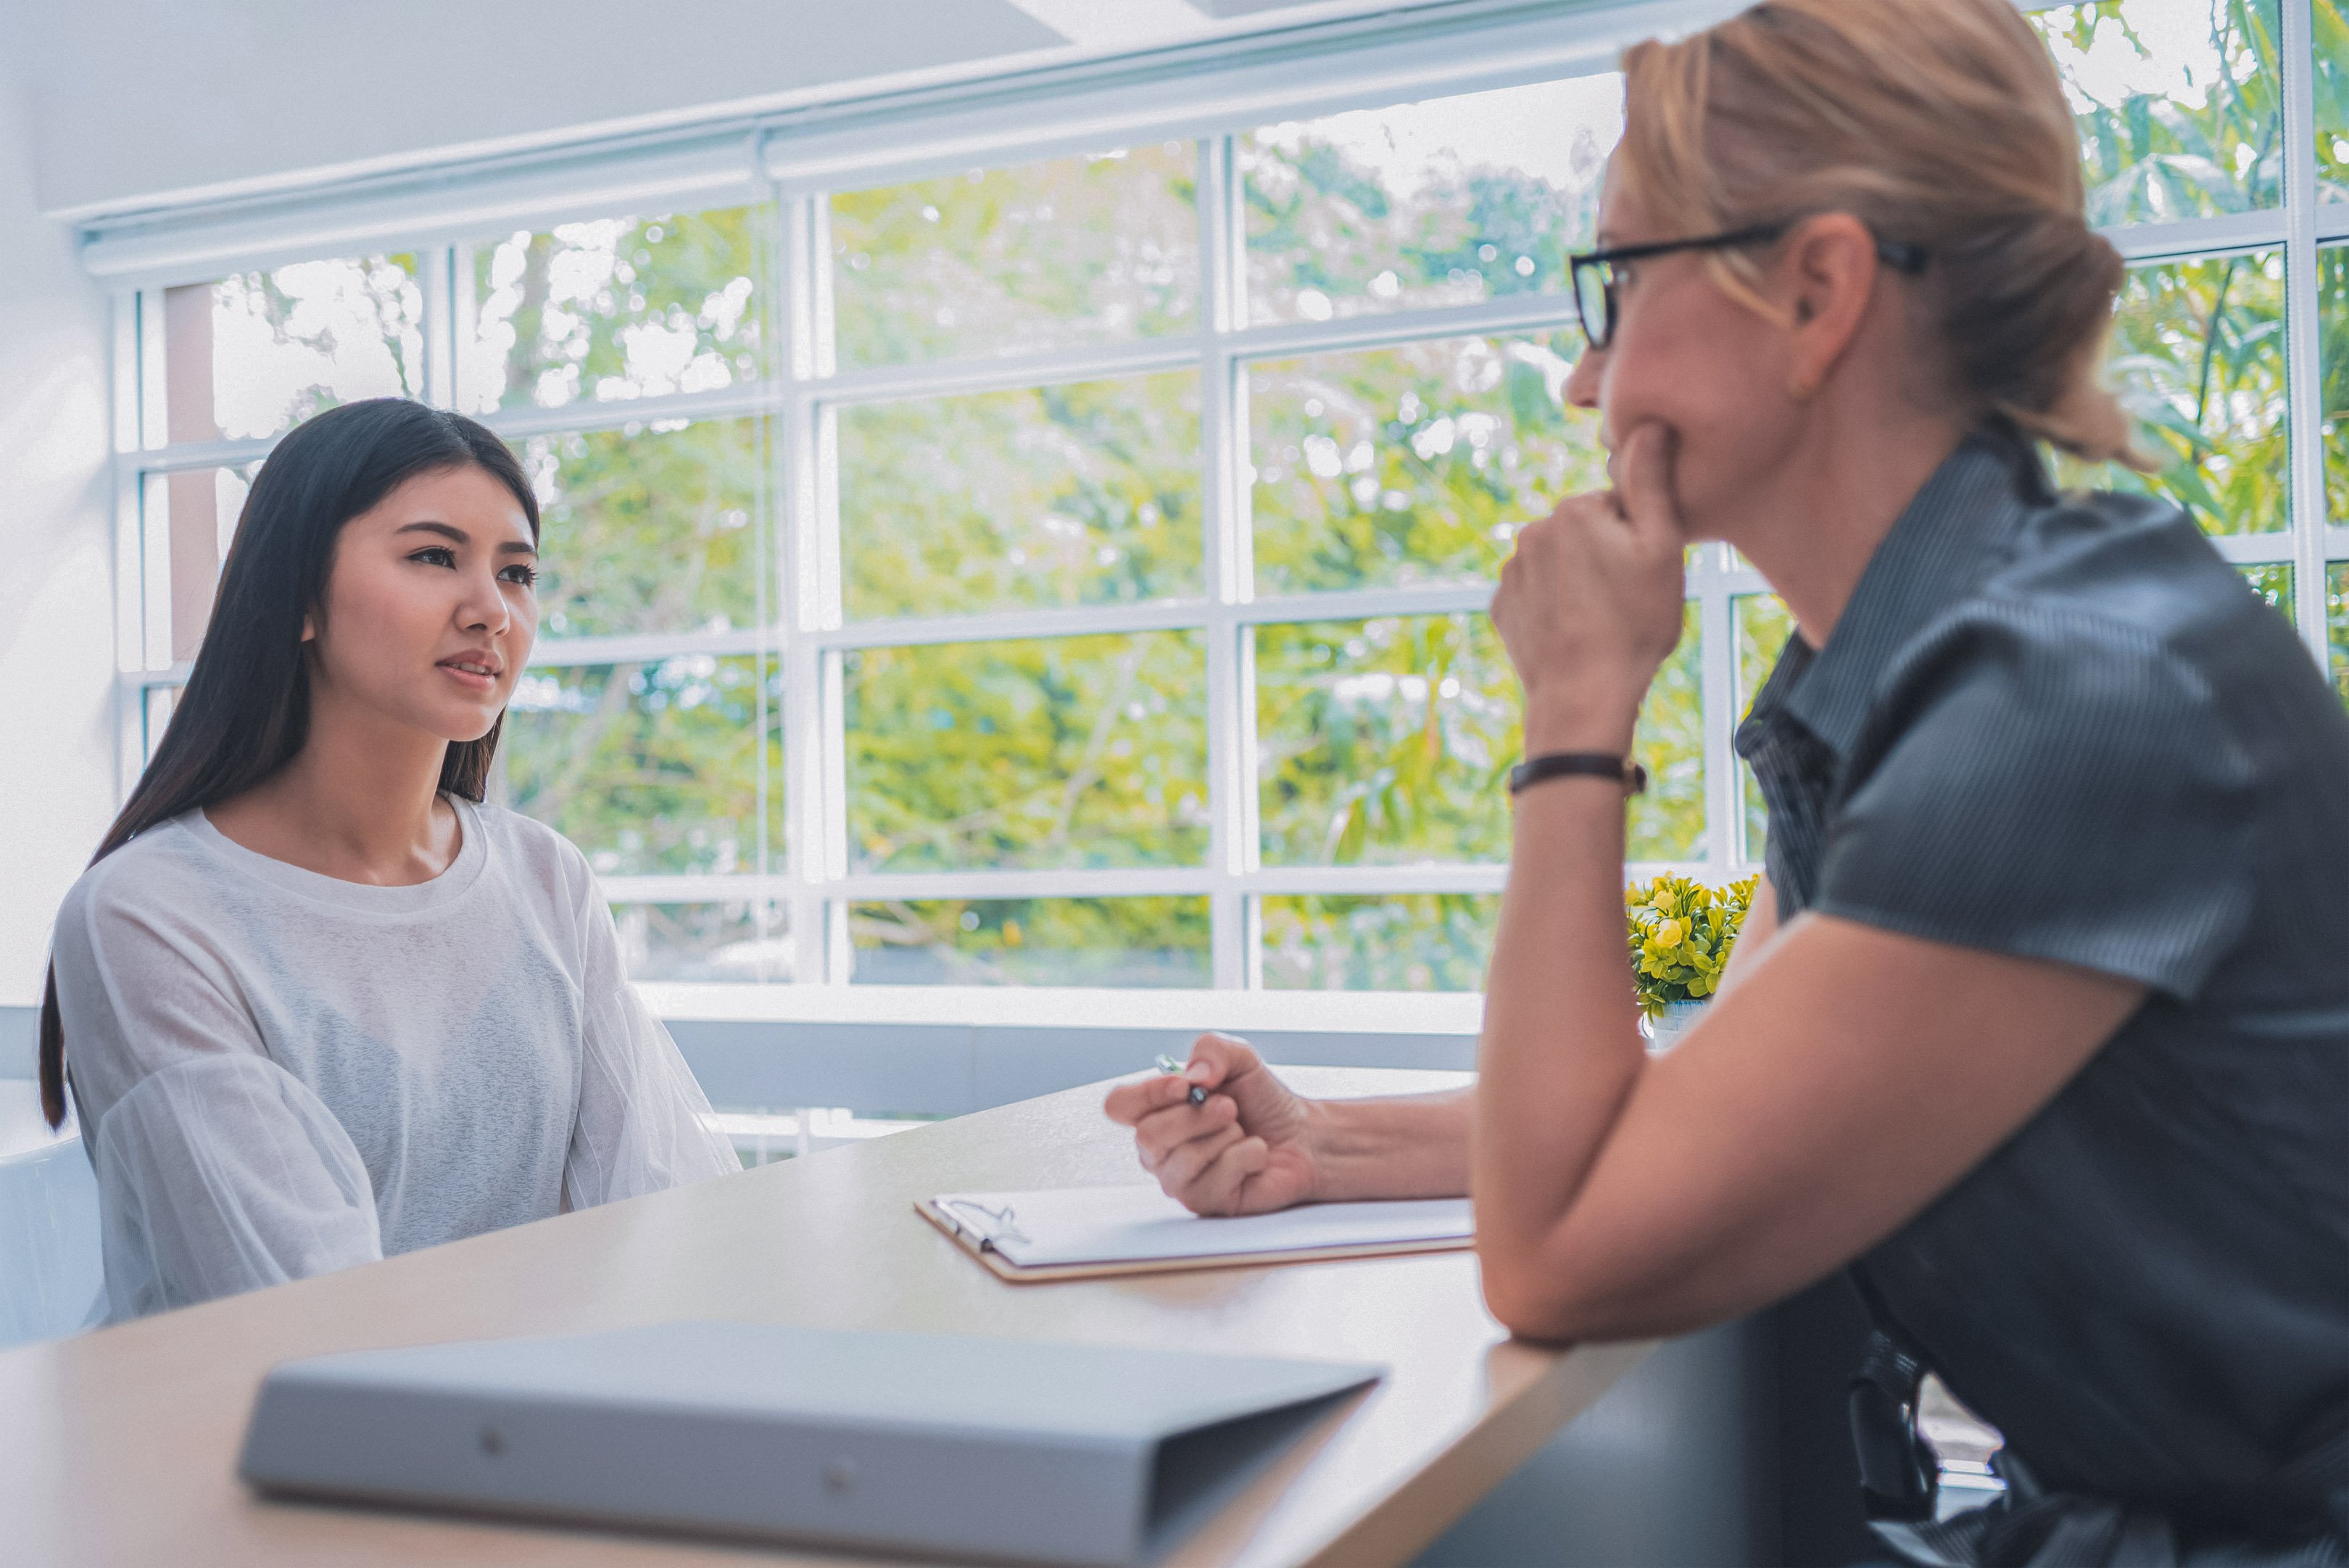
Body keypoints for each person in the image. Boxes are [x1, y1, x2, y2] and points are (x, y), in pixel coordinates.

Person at [1106, 0, 2349, 1559]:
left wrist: (1575, 716)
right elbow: (1696, 1118)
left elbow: (1566, 1252)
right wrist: (1324, 1145)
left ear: (1819, 290)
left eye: (1619, 283)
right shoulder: (1928, 676)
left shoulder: (2069, 702)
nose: (1585, 380)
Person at [38, 398, 739, 1322]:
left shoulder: (545, 880)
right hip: (240, 1449)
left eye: (518, 572)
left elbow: (663, 1213)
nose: (492, 610)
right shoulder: (149, 914)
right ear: (297, 600)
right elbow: (299, 1310)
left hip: (529, 1432)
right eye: (433, 556)